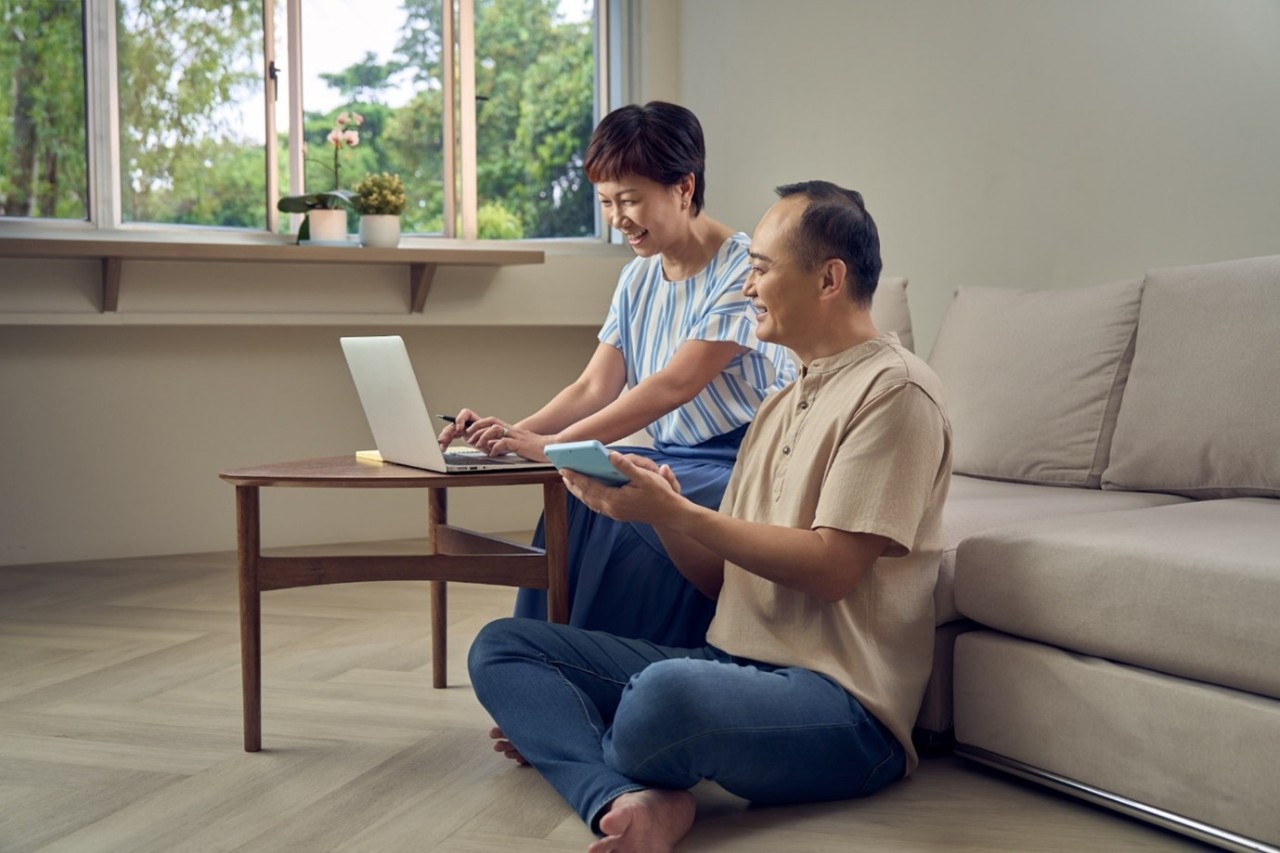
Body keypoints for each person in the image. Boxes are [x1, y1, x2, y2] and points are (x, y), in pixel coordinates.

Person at [468, 180, 952, 853]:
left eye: (761, 269)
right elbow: (720, 582)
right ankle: (626, 793)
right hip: (733, 665)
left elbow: (833, 569)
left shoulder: (894, 391)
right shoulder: (782, 405)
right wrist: (662, 511)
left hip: (841, 706)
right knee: (502, 646)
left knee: (662, 698)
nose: (748, 287)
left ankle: (581, 742)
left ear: (829, 279)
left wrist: (682, 513)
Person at [438, 102, 796, 648]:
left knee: (628, 502)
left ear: (683, 187)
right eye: (606, 202)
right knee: (579, 498)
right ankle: (550, 670)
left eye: (630, 200)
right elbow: (592, 386)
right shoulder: (636, 278)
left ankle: (618, 680)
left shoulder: (742, 269)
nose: (617, 217)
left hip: (744, 462)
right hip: (674, 456)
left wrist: (554, 444)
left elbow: (674, 385)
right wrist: (510, 435)